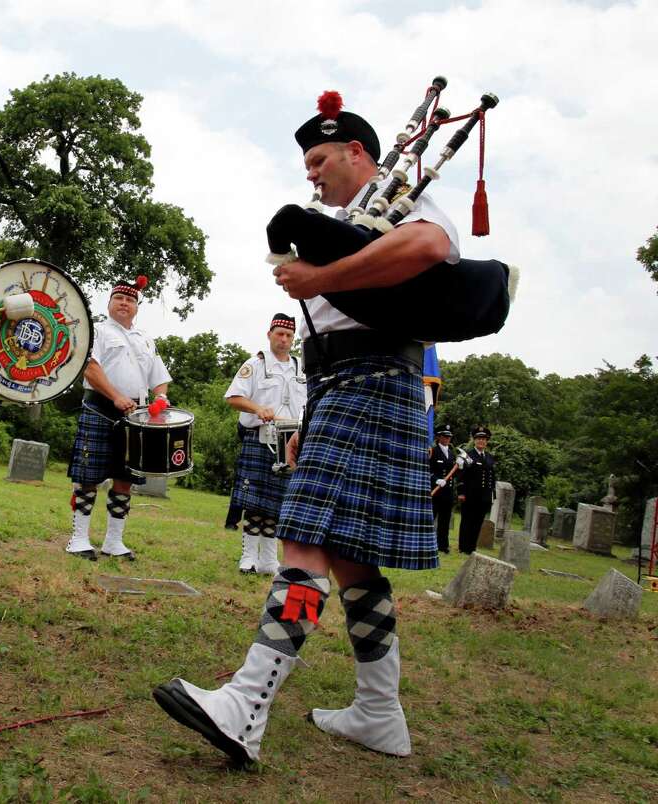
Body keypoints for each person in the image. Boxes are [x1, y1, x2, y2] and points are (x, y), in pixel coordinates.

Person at [155, 89, 460, 763]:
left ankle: (245, 704)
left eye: (321, 159)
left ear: (358, 152)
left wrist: (323, 274)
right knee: (353, 562)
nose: (312, 173)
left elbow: (432, 246)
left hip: (376, 381)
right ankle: (380, 711)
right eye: (306, 164)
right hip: (342, 386)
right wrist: (311, 411)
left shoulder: (401, 198)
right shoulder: (346, 220)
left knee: (304, 541)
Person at [65, 276, 171, 561]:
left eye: (131, 300)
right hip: (100, 407)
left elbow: (159, 379)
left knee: (125, 480)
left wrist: (160, 397)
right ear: (110, 302)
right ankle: (78, 539)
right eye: (120, 298)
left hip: (136, 416)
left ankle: (114, 541)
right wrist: (114, 395)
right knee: (88, 476)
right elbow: (90, 367)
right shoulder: (96, 331)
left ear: (137, 306)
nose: (125, 303)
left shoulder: (146, 339)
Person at [225, 313, 306, 574]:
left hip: (290, 441)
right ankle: (248, 556)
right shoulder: (255, 364)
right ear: (269, 334)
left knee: (276, 503)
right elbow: (234, 397)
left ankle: (269, 559)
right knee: (255, 501)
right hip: (259, 438)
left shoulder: (301, 368)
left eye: (288, 335)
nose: (283, 339)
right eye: (279, 334)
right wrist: (258, 408)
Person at [456, 425, 496, 554]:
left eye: (484, 439)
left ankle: (471, 548)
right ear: (474, 440)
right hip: (470, 495)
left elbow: (492, 477)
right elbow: (461, 475)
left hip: (484, 497)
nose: (481, 441)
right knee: (467, 522)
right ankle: (463, 547)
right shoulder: (468, 455)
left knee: (478, 523)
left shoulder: (489, 457)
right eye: (479, 439)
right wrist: (461, 492)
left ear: (487, 441)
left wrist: (492, 495)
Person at [429, 423, 461, 553]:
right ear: (439, 437)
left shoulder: (452, 454)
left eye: (449, 437)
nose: (447, 439)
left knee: (445, 520)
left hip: (447, 492)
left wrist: (460, 466)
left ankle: (442, 545)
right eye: (444, 436)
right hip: (435, 491)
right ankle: (427, 543)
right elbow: (426, 470)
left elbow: (455, 474)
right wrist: (435, 479)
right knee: (431, 518)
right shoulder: (433, 452)